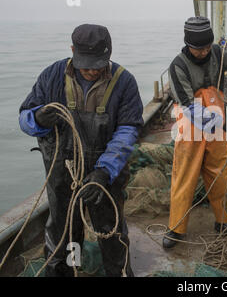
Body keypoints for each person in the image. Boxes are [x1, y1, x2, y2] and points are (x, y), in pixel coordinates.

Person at [19, 24, 143, 276]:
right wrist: (38, 119)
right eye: (85, 63)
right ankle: (65, 271)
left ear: (108, 55)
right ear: (72, 51)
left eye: (98, 64)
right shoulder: (51, 76)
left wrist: (103, 172)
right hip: (62, 175)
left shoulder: (124, 82)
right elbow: (24, 117)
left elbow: (128, 130)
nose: (91, 70)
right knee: (63, 235)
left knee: (112, 233)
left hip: (105, 178)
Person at [163, 17, 227, 248]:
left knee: (221, 174)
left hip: (216, 126)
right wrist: (211, 121)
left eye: (207, 47)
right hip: (191, 127)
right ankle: (176, 228)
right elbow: (186, 103)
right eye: (199, 49)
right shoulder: (177, 66)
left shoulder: (217, 53)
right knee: (185, 177)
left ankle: (224, 221)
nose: (204, 52)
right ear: (188, 45)